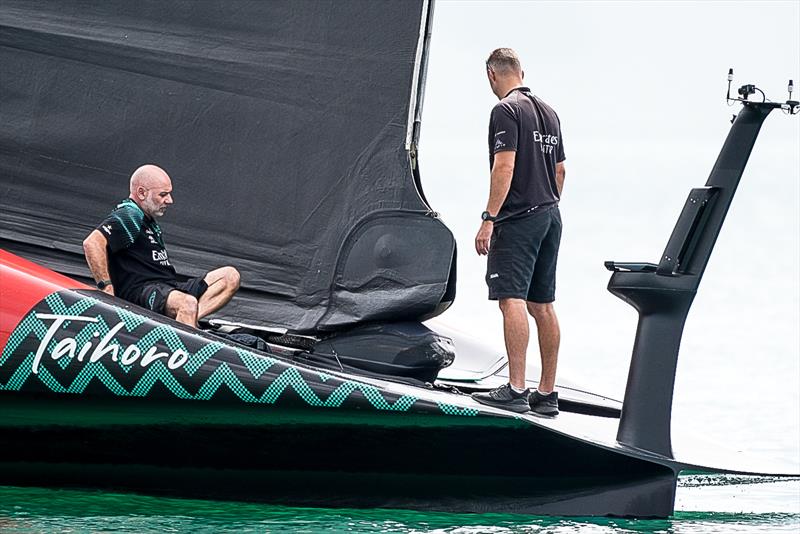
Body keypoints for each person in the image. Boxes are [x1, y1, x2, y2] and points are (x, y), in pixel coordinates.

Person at [471, 48, 566, 416]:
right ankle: (547, 394)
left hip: (519, 219)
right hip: (550, 215)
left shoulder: (505, 110)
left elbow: (504, 166)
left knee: (511, 299)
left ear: (491, 76)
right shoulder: (549, 112)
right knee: (543, 304)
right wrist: (546, 206)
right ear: (521, 72)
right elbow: (560, 172)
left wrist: (489, 217)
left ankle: (515, 389)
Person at [83, 164, 240, 327]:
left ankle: (186, 323)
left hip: (167, 287)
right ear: (142, 193)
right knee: (187, 303)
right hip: (143, 292)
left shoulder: (146, 218)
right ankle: (185, 334)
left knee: (230, 276)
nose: (170, 200)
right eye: (163, 194)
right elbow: (92, 243)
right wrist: (106, 289)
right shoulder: (130, 214)